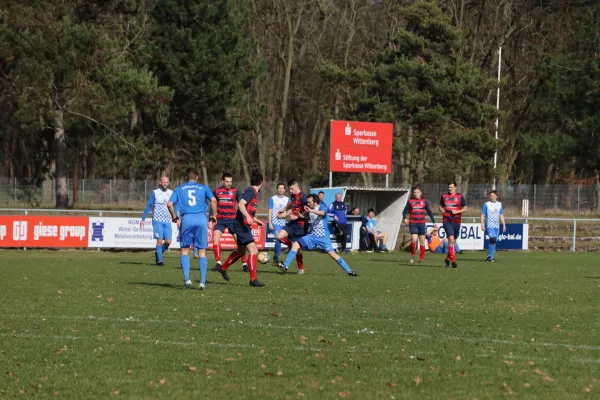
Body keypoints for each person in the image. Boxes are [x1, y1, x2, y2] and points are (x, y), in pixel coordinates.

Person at [278, 194, 357, 277]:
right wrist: (299, 215)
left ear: (315, 202)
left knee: (332, 255)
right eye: (307, 202)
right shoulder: (310, 209)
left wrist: (310, 211)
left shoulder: (322, 206)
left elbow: (322, 213)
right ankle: (285, 266)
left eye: (309, 202)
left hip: (323, 237)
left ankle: (349, 271)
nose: (308, 203)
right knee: (295, 245)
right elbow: (308, 217)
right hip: (312, 236)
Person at [215, 166, 265, 287]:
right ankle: (253, 280)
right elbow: (241, 204)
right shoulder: (250, 191)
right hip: (241, 225)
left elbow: (247, 210)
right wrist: (248, 217)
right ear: (261, 183)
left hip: (241, 224)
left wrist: (255, 219)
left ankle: (223, 267)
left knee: (241, 251)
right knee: (253, 250)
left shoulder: (252, 192)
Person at [168, 168, 217, 289]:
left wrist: (174, 216)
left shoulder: (179, 189)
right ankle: (202, 282)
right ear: (197, 178)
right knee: (202, 252)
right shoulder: (203, 187)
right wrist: (214, 215)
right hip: (201, 219)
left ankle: (187, 280)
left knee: (185, 250)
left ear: (186, 178)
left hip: (187, 219)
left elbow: (169, 203)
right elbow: (214, 200)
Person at [210, 172, 248, 272]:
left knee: (239, 242)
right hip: (220, 220)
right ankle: (218, 263)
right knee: (215, 239)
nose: (229, 183)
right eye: (227, 181)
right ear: (222, 181)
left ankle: (244, 264)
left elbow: (241, 204)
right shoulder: (217, 191)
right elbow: (212, 204)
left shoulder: (236, 191)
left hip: (233, 220)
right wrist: (211, 217)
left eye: (230, 181)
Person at [274, 179, 308, 274]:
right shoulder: (293, 195)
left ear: (296, 186)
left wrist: (298, 215)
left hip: (300, 225)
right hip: (292, 223)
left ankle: (301, 269)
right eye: (289, 189)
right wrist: (284, 209)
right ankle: (290, 246)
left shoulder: (303, 197)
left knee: (297, 250)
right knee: (278, 236)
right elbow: (292, 205)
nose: (290, 191)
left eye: (291, 188)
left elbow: (307, 210)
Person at [140, 176, 173, 266]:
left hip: (167, 220)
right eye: (164, 182)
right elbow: (149, 206)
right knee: (159, 240)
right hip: (157, 220)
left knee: (168, 242)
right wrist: (143, 219)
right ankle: (159, 261)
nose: (165, 183)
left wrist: (177, 217)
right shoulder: (155, 193)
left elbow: (175, 206)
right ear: (160, 182)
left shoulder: (171, 193)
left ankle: (158, 252)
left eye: (167, 182)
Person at [403, 186, 437, 264]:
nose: (415, 194)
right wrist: (405, 218)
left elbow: (429, 212)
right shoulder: (410, 201)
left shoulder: (424, 201)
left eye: (417, 192)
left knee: (422, 241)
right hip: (413, 223)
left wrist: (434, 222)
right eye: (414, 192)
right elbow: (404, 211)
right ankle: (412, 255)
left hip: (421, 224)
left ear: (420, 193)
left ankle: (421, 258)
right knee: (414, 239)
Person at [439, 181, 468, 268]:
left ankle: (448, 259)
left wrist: (457, 211)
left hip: (456, 222)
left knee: (453, 242)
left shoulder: (460, 196)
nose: (450, 189)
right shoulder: (444, 196)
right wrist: (441, 209)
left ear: (455, 187)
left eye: (452, 187)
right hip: (447, 220)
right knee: (451, 239)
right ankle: (454, 261)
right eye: (449, 187)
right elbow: (440, 206)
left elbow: (465, 209)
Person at [481, 190, 506, 262]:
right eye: (490, 195)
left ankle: (490, 257)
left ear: (496, 196)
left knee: (494, 242)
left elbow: (501, 215)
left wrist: (504, 225)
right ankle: (489, 257)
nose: (491, 197)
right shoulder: (486, 204)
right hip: (489, 225)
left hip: (496, 226)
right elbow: (483, 214)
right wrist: (482, 224)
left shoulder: (499, 204)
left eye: (492, 195)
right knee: (493, 239)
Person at [268, 183, 290, 264]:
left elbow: (290, 211)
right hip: (275, 222)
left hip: (283, 222)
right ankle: (276, 257)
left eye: (282, 188)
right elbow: (270, 211)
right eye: (279, 188)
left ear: (284, 190)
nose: (280, 190)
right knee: (278, 239)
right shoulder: (272, 199)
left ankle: (289, 247)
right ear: (277, 189)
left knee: (287, 238)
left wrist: (284, 215)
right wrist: (270, 223)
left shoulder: (287, 199)